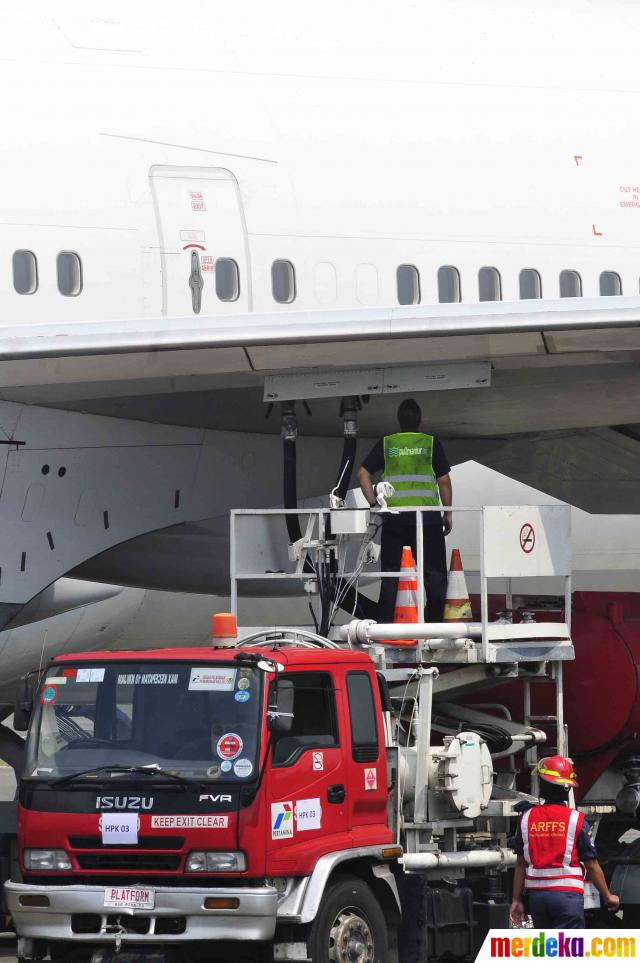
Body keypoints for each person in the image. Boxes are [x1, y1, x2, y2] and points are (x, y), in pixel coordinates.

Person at [356, 398, 452, 623]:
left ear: (398, 421)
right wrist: (448, 512)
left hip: (394, 519)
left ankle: (387, 623)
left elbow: (362, 474)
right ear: (420, 420)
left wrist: (374, 504)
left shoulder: (387, 444)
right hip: (427, 519)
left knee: (392, 574)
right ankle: (437, 622)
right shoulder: (430, 443)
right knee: (434, 574)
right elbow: (444, 480)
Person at [510, 755, 620, 929]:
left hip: (537, 898)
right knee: (568, 952)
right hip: (567, 897)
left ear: (542, 785)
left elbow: (520, 864)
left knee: (548, 949)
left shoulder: (526, 818)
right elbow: (591, 865)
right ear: (567, 789)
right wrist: (608, 896)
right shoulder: (575, 820)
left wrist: (516, 899)